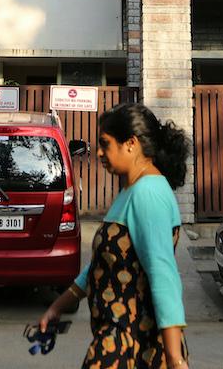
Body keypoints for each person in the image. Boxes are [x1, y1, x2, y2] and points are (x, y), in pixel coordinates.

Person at [37, 102, 191, 369]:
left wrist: (175, 359)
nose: (98, 152)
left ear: (131, 144)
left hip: (134, 345)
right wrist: (58, 306)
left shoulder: (148, 194)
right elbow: (104, 262)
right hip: (117, 339)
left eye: (105, 144)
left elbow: (163, 275)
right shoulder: (132, 190)